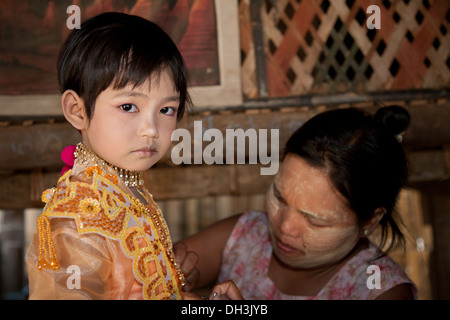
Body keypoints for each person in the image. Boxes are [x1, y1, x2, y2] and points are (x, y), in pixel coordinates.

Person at [26, 12, 197, 300]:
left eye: (166, 109)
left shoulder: (125, 188)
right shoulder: (78, 219)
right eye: (129, 106)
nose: (151, 130)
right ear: (77, 110)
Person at [178, 106, 418, 300]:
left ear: (370, 221)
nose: (284, 226)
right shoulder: (245, 236)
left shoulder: (381, 290)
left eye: (314, 220)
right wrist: (167, 281)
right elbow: (147, 274)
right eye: (280, 198)